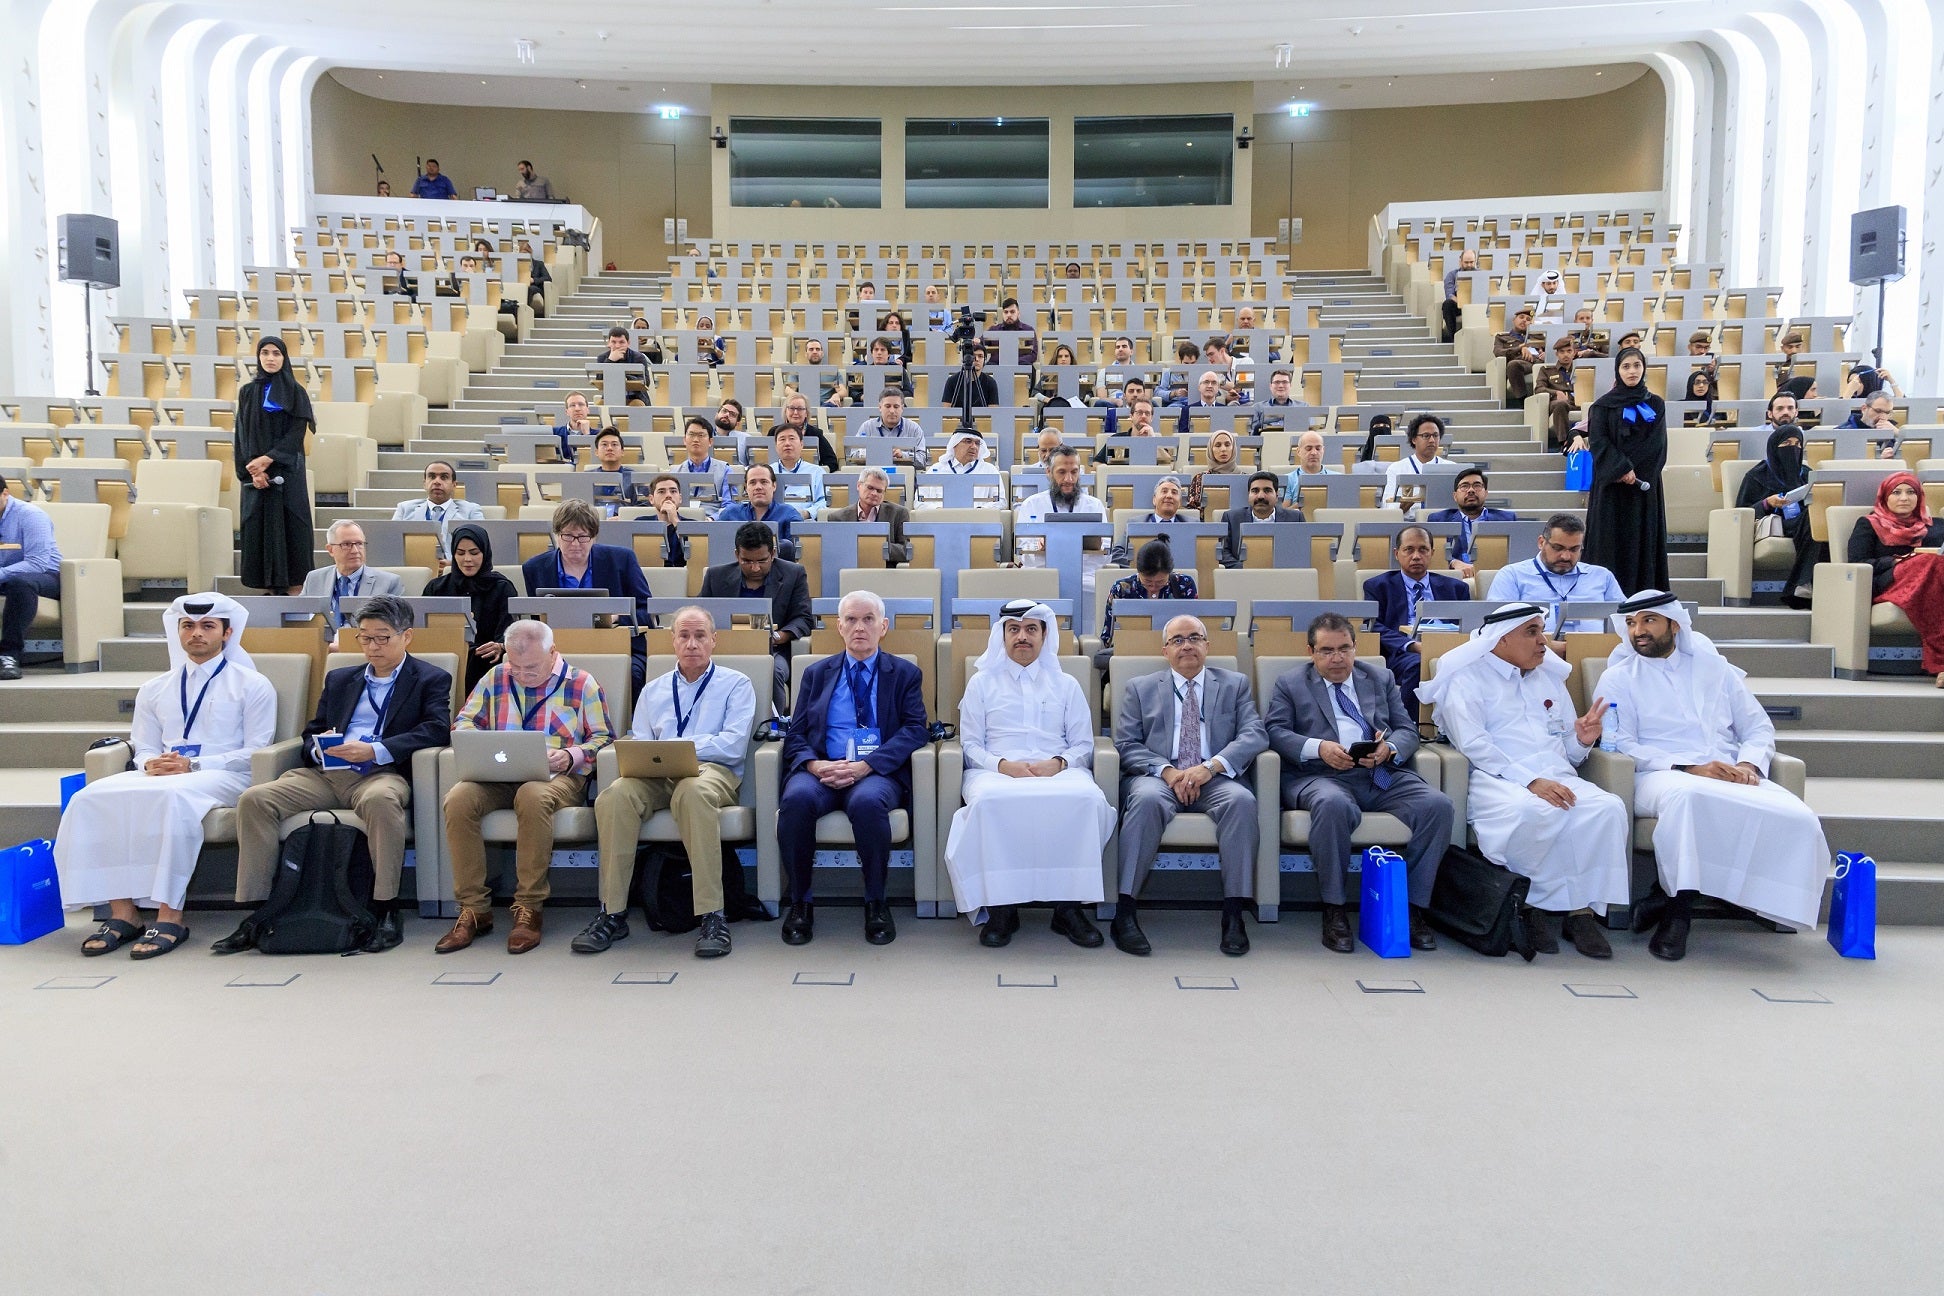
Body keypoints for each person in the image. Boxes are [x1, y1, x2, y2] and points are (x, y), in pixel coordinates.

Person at [1595, 590, 1832, 957]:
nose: (1638, 630)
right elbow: (1620, 744)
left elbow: (1757, 728)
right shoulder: (1618, 677)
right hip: (1659, 773)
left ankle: (1722, 900)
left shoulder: (1715, 669)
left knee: (1800, 817)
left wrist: (1748, 765)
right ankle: (1678, 912)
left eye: (1648, 621)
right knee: (1689, 797)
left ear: (1675, 625)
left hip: (1726, 770)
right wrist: (1690, 767)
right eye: (1630, 623)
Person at [218, 595, 453, 955]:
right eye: (364, 638)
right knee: (255, 799)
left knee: (380, 800)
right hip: (327, 775)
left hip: (382, 772)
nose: (372, 647)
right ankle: (259, 909)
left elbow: (436, 730)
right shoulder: (341, 677)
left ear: (406, 637)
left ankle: (386, 907)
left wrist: (375, 749)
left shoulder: (430, 678)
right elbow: (312, 731)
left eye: (382, 637)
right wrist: (320, 748)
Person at [54, 594, 277, 959]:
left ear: (227, 632)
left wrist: (194, 765)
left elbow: (255, 751)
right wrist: (149, 765)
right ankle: (123, 913)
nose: (197, 634)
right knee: (89, 797)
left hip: (226, 775)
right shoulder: (154, 688)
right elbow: (142, 747)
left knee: (172, 799)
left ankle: (169, 916)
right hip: (165, 774)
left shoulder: (252, 684)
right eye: (188, 626)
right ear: (178, 632)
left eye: (207, 626)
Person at [1416, 603, 1629, 957]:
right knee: (1530, 812)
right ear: (1501, 640)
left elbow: (1568, 752)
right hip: (1496, 779)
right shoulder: (1466, 679)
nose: (1543, 641)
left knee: (1607, 809)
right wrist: (1531, 781)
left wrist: (1583, 739)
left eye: (1542, 630)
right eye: (1532, 632)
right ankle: (1526, 907)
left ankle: (1582, 914)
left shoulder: (1548, 677)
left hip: (1557, 775)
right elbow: (1474, 746)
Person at [1263, 612, 1452, 953]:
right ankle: (1334, 909)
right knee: (1332, 804)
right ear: (1311, 652)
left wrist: (1389, 748)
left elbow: (1407, 729)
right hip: (1320, 775)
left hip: (1378, 773)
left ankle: (1411, 910)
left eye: (1344, 649)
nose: (1337, 658)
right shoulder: (1290, 683)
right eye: (1326, 651)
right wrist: (1318, 748)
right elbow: (1274, 732)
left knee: (1437, 806)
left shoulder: (1379, 677)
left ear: (1355, 647)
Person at [581, 607, 757, 959]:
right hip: (657, 774)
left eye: (700, 636)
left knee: (692, 792)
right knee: (614, 795)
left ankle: (712, 914)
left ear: (713, 640)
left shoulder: (736, 684)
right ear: (673, 640)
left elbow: (733, 744)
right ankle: (612, 911)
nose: (692, 644)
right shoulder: (653, 689)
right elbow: (642, 741)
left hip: (711, 772)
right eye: (684, 636)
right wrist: (654, 755)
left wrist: (684, 749)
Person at [437, 619, 614, 954]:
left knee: (532, 796)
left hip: (559, 778)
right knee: (458, 798)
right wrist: (476, 743)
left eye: (531, 668)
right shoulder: (495, 677)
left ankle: (528, 907)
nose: (522, 675)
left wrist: (570, 755)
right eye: (515, 667)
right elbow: (464, 721)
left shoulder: (581, 683)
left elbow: (604, 738)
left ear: (553, 653)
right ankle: (473, 909)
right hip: (499, 775)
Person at [945, 600, 1110, 947]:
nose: (1022, 637)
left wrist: (1059, 763)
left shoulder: (1066, 684)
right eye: (1014, 629)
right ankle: (1003, 908)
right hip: (995, 771)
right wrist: (1003, 766)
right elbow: (970, 745)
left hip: (1058, 768)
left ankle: (1068, 909)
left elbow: (1083, 744)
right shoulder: (981, 683)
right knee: (989, 802)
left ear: (1044, 636)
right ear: (1002, 635)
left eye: (1031, 629)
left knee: (1087, 799)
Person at [777, 590, 930, 946]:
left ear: (883, 627)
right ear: (839, 626)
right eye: (851, 620)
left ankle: (876, 902)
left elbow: (914, 729)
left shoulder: (904, 673)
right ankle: (800, 903)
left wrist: (866, 766)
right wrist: (815, 766)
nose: (859, 627)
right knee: (796, 800)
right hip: (822, 771)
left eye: (868, 620)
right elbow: (796, 733)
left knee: (866, 804)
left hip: (874, 774)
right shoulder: (816, 673)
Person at [1111, 614, 1268, 957]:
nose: (1187, 646)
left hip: (1214, 778)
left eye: (1195, 638)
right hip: (1159, 778)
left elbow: (1254, 734)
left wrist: (1209, 768)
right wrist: (1168, 771)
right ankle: (1124, 911)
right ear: (1165, 650)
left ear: (1207, 646)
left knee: (1242, 802)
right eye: (1178, 640)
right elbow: (1126, 744)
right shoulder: (1141, 688)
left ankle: (1234, 914)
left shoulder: (1235, 684)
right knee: (1145, 802)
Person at [520, 500, 653, 692]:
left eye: (583, 537)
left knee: (632, 675)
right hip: (560, 648)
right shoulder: (534, 568)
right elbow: (539, 621)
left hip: (616, 646)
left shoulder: (622, 560)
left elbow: (647, 610)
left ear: (594, 537)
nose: (575, 544)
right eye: (567, 536)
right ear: (556, 535)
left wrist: (616, 617)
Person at [1584, 345, 1670, 595]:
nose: (1632, 371)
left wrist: (1635, 472)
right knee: (1608, 543)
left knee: (1642, 544)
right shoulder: (1601, 407)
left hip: (1643, 489)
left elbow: (1657, 446)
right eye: (1626, 366)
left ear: (1644, 369)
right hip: (1611, 489)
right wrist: (1621, 469)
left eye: (1636, 365)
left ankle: (1644, 597)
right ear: (1617, 370)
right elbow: (1598, 442)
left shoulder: (1656, 404)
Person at [697, 520, 814, 700]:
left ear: (773, 553)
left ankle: (773, 724)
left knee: (773, 671)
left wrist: (779, 637)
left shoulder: (794, 574)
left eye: (762, 560)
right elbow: (700, 616)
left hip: (772, 650)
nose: (755, 568)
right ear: (737, 555)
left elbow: (803, 618)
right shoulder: (716, 576)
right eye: (747, 561)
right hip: (724, 648)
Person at [1847, 473, 1944, 685]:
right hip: (1889, 583)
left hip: (1932, 581)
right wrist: (1899, 560)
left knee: (1935, 567)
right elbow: (1858, 562)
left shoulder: (1936, 526)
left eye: (1911, 492)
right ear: (1885, 497)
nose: (1904, 498)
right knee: (1932, 563)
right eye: (1896, 492)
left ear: (1919, 497)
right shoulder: (1868, 524)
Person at [235, 337, 315, 593]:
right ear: (258, 357)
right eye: (266, 353)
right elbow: (242, 434)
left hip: (286, 472)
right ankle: (268, 590)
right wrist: (252, 469)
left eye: (277, 353)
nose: (271, 358)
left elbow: (296, 433)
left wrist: (268, 459)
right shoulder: (247, 392)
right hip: (255, 477)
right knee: (260, 529)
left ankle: (294, 593)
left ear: (284, 358)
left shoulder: (295, 391)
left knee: (292, 529)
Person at [1364, 524, 1470, 714]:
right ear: (1397, 553)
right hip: (1402, 653)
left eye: (1423, 549)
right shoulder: (1378, 586)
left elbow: (1468, 625)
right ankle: (1408, 725)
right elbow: (1372, 626)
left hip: (1450, 647)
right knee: (1417, 664)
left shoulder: (1456, 588)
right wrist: (1412, 645)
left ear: (1432, 552)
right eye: (1409, 550)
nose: (1416, 556)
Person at [1486, 513, 1624, 634]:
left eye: (1574, 549)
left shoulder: (1602, 576)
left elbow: (1626, 620)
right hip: (1533, 653)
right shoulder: (1512, 575)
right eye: (1558, 548)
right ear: (1541, 542)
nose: (1565, 556)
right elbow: (1498, 627)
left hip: (1594, 650)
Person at [1734, 425, 1822, 607]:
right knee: (1812, 519)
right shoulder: (1757, 475)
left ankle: (1805, 586)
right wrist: (1767, 503)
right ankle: (1801, 584)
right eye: (1787, 444)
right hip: (1777, 524)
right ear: (1775, 447)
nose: (1793, 449)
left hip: (1804, 522)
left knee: (1815, 517)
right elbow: (1740, 511)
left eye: (1798, 444)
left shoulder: (1806, 473)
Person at [424, 523, 516, 694]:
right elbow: (425, 631)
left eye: (474, 553)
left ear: (485, 553)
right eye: (460, 553)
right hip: (444, 658)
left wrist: (501, 646)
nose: (467, 559)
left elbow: (508, 633)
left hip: (486, 661)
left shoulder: (502, 588)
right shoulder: (436, 588)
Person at [1014, 445, 1109, 593]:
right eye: (1062, 472)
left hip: (1085, 577)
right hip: (1042, 576)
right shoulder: (1031, 504)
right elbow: (1023, 551)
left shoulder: (1094, 505)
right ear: (1049, 473)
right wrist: (1039, 545)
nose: (1069, 479)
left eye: (1074, 472)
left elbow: (1106, 553)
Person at [1096, 538, 1198, 672]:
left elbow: (1194, 627)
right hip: (1132, 655)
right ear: (1138, 571)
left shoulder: (1184, 584)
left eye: (1161, 582)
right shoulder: (1121, 588)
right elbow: (1108, 636)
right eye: (1148, 582)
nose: (1154, 587)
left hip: (1176, 655)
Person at [0, 473, 59, 680]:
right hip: (5, 575)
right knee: (14, 580)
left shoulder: (31, 515)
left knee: (20, 583)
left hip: (45, 576)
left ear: (5, 493)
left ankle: (9, 655)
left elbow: (37, 563)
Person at [300, 522, 404, 628]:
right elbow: (300, 619)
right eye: (346, 544)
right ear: (330, 550)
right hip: (322, 642)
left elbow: (394, 626)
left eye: (359, 543)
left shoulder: (389, 582)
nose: (355, 550)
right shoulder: (314, 579)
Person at [1424, 467, 1515, 579]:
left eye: (1477, 485)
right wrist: (1452, 562)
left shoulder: (1507, 519)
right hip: (1454, 578)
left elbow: (1515, 556)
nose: (1471, 490)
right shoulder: (1438, 519)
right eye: (1464, 486)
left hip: (1495, 577)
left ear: (1486, 493)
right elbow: (1432, 554)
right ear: (1455, 496)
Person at [391, 460, 484, 559]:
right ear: (424, 483)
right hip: (415, 567)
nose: (437, 481)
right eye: (431, 476)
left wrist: (453, 566)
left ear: (454, 485)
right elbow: (392, 545)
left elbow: (482, 547)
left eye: (444, 477)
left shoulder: (471, 510)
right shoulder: (404, 508)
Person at [715, 461, 803, 560]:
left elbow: (794, 556)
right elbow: (717, 549)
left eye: (764, 482)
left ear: (774, 486)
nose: (758, 487)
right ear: (746, 487)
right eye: (752, 482)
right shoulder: (730, 514)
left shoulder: (789, 514)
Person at [1217, 471, 1302, 568]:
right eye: (1255, 491)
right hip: (1243, 577)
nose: (1261, 496)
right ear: (1248, 495)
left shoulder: (1295, 518)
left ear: (1277, 495)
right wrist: (1246, 569)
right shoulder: (1232, 518)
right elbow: (1222, 552)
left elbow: (1302, 552)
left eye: (1267, 490)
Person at [831, 468, 911, 567]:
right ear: (858, 485)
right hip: (850, 572)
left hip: (886, 574)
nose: (874, 493)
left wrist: (874, 546)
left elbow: (906, 551)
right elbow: (834, 553)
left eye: (879, 491)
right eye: (870, 487)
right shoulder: (838, 518)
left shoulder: (898, 513)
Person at [1381, 413, 1460, 507]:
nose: (1432, 440)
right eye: (1426, 436)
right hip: (1408, 520)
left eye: (1435, 435)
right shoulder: (1396, 469)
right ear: (1414, 439)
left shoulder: (1451, 468)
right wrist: (1403, 506)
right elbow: (1386, 506)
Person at [852, 387, 927, 463]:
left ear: (902, 408)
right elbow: (853, 455)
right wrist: (873, 452)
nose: (892, 411)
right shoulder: (867, 427)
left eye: (896, 407)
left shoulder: (914, 428)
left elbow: (923, 458)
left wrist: (903, 455)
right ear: (880, 407)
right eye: (887, 406)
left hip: (904, 471)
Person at [770, 392, 841, 471]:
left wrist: (813, 471)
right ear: (785, 411)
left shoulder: (816, 434)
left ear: (806, 413)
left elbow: (832, 463)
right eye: (792, 408)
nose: (795, 412)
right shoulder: (774, 432)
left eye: (800, 409)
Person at [1095, 397, 1175, 466]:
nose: (1143, 416)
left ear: (1151, 418)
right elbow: (1097, 463)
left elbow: (1168, 463)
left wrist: (1152, 440)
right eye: (1139, 413)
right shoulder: (1117, 439)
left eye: (1147, 413)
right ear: (1131, 416)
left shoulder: (1157, 442)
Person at [674, 416, 734, 503]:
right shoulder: (674, 472)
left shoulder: (725, 469)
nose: (696, 440)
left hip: (713, 514)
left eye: (701, 435)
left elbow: (729, 504)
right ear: (684, 440)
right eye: (691, 434)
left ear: (710, 442)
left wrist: (713, 517)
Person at [769, 424, 828, 512]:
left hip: (805, 521)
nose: (787, 443)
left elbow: (824, 501)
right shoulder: (767, 471)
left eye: (792, 438)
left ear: (801, 444)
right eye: (782, 439)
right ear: (776, 446)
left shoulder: (817, 472)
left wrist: (807, 513)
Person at [1537, 336, 1581, 451]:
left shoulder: (1582, 370)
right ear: (1556, 354)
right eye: (1562, 352)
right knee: (1561, 404)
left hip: (1578, 403)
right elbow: (1539, 389)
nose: (1565, 355)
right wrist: (1556, 392)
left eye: (1569, 351)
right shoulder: (1546, 370)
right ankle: (1565, 442)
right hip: (1557, 404)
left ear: (1574, 353)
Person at [1494, 307, 1543, 404]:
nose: (1524, 320)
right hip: (1522, 363)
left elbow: (1556, 350)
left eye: (1528, 319)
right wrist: (1520, 348)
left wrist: (1547, 354)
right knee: (1513, 365)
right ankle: (1523, 401)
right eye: (1521, 317)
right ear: (1514, 320)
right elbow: (1498, 352)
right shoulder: (1502, 338)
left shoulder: (1540, 337)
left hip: (1539, 361)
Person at [640, 473, 689, 567]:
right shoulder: (641, 523)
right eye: (661, 491)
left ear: (680, 498)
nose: (668, 495)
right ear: (651, 499)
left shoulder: (694, 525)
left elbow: (694, 555)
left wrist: (675, 520)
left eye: (673, 491)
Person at [1185, 428, 1239, 513]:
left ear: (1234, 448)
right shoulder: (1199, 479)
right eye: (1218, 445)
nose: (1223, 449)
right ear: (1210, 449)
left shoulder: (1245, 478)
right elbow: (1193, 513)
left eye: (1227, 444)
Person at [1278, 431, 1338, 506]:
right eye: (1308, 449)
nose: (1314, 453)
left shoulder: (1338, 478)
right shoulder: (1288, 480)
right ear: (1298, 451)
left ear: (1323, 451)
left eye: (1318, 448)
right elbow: (1283, 514)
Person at [924, 429, 1001, 483]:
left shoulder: (989, 471)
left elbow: (1000, 502)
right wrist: (938, 507)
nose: (974, 446)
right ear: (955, 445)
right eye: (968, 441)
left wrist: (980, 507)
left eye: (977, 443)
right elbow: (920, 501)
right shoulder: (936, 470)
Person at [985, 295, 1038, 366]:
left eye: (1012, 312)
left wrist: (1013, 360)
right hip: (996, 366)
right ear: (1002, 314)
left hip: (1020, 367)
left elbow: (1033, 355)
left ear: (1018, 313)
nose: (1009, 315)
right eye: (1006, 312)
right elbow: (981, 343)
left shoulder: (1028, 330)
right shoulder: (993, 330)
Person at [1441, 247, 1477, 342]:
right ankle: (1453, 339)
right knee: (1447, 304)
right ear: (1460, 262)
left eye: (1471, 262)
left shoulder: (1481, 274)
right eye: (1466, 262)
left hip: (1477, 304)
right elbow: (1450, 295)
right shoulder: (1451, 275)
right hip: (1458, 305)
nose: (1469, 265)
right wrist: (1463, 303)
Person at [551, 390, 597, 462]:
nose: (577, 409)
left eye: (581, 404)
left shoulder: (599, 435)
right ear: (567, 412)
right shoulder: (554, 433)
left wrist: (587, 434)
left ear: (587, 410)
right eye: (572, 405)